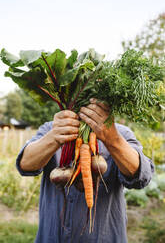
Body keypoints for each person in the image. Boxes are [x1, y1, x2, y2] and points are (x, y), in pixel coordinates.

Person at [16, 98, 154, 243]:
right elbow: (25, 165)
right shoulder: (51, 129)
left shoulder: (120, 133)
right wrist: (54, 138)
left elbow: (141, 177)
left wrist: (112, 140)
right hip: (51, 237)